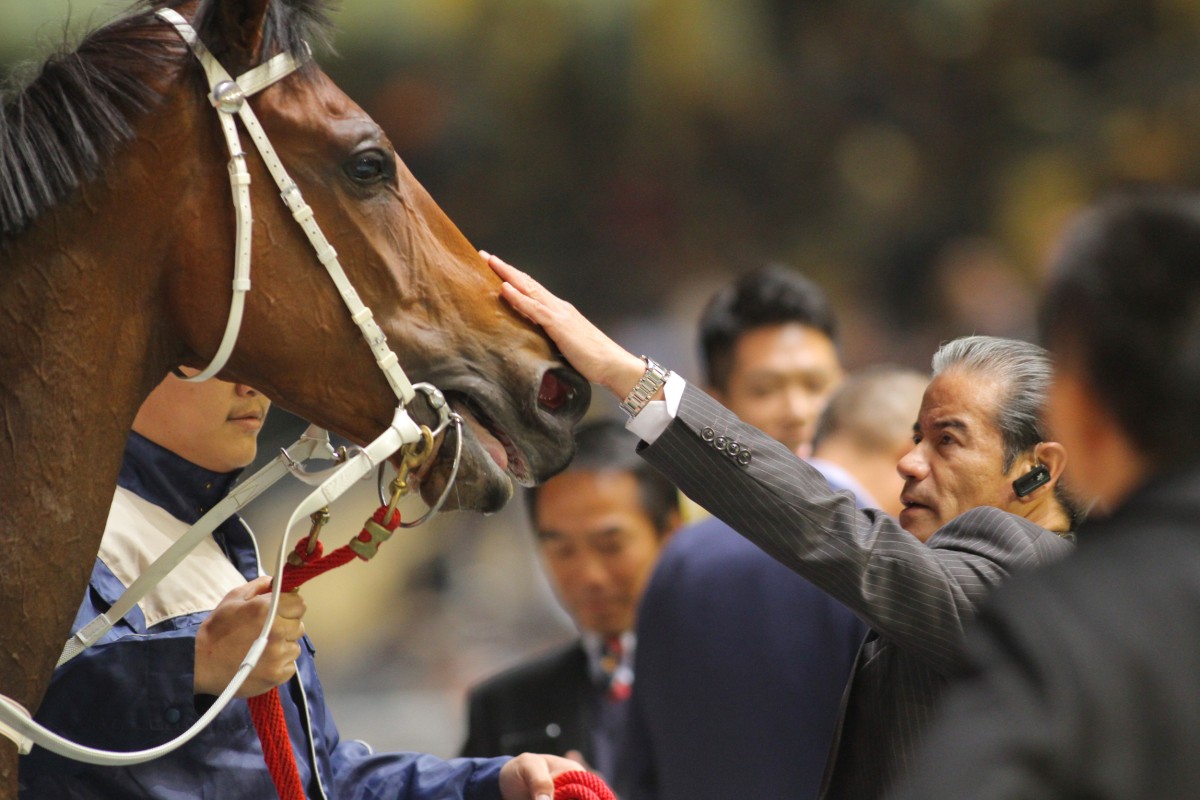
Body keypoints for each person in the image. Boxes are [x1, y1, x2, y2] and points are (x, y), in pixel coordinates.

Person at [484, 251, 1080, 799]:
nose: (910, 461)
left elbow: (836, 531)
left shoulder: (1031, 580)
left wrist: (629, 378)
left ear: (1039, 468)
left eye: (948, 440)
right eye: (917, 437)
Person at [19, 370, 579, 800]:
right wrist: (194, 665)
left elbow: (320, 779)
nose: (251, 383)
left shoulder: (218, 535)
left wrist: (493, 784)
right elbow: (23, 725)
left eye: (252, 360)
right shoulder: (48, 525)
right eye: (210, 359)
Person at [890, 192, 1200, 799]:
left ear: (1076, 413)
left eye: (948, 439)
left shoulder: (1053, 620)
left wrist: (649, 395)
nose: (909, 463)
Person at [618, 268, 881, 800]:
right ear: (713, 405)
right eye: (767, 389)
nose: (799, 412)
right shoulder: (682, 564)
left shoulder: (680, 562)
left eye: (817, 385)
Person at [460, 419, 680, 782]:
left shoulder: (733, 677)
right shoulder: (503, 707)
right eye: (562, 549)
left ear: (671, 533)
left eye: (611, 545)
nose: (589, 575)